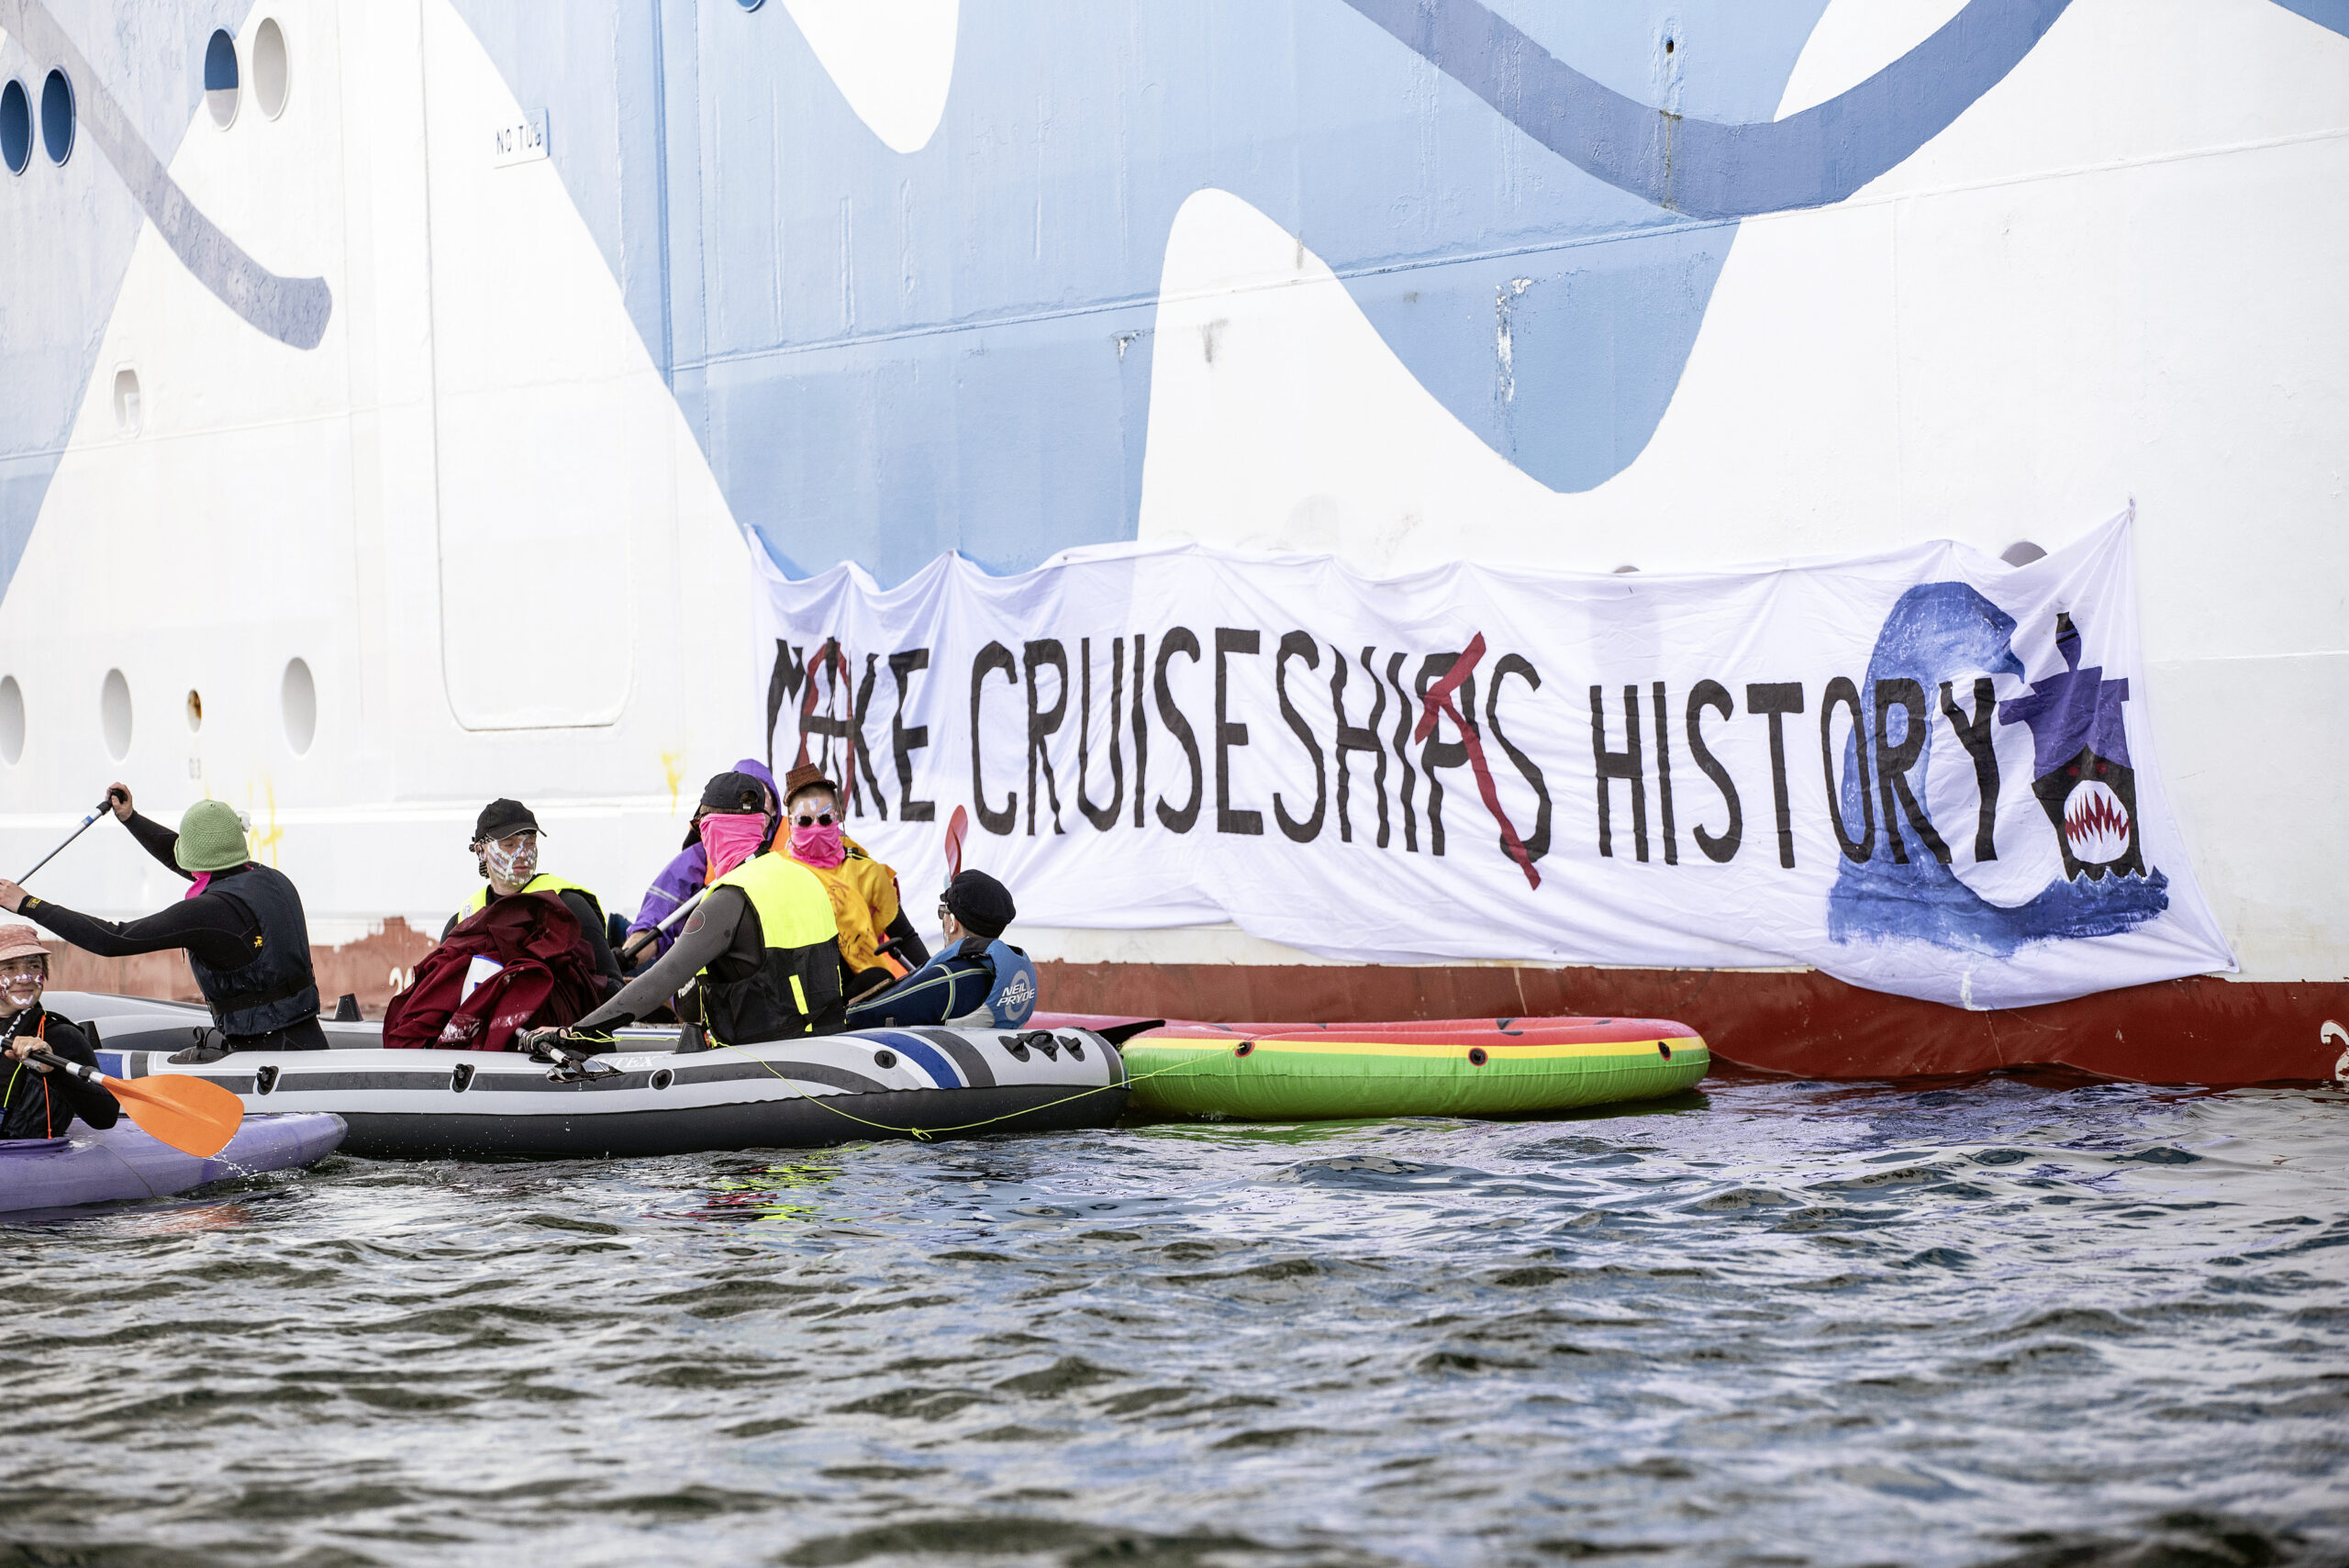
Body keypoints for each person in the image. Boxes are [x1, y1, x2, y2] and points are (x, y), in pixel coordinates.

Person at [0, 784, 327, 1059]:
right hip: (306, 1033)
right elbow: (191, 860)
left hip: (262, 1052)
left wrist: (28, 904)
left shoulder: (207, 912)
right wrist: (132, 819)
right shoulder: (270, 878)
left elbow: (113, 940)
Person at [531, 772, 843, 1051]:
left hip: (763, 1065)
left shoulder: (728, 899)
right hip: (825, 1048)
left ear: (711, 830)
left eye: (701, 828)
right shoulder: (806, 878)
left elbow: (658, 983)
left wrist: (575, 1032)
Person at [777, 763, 929, 1002]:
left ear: (838, 819)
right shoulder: (777, 873)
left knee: (877, 979)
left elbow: (906, 936)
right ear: (791, 825)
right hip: (800, 997)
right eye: (805, 821)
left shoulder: (866, 872)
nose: (816, 828)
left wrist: (934, 980)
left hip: (858, 990)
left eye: (825, 819)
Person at [619, 758, 779, 971]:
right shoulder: (699, 857)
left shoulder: (796, 847)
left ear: (775, 808)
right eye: (740, 798)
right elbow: (656, 918)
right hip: (720, 975)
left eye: (758, 796)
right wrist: (626, 958)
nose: (746, 805)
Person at [445, 800, 622, 989]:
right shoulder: (464, 920)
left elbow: (613, 987)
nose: (522, 853)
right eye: (509, 844)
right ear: (481, 851)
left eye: (529, 843)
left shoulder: (568, 905)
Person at [847, 870, 1039, 1029]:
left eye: (943, 913)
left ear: (953, 923)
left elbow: (863, 1015)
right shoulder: (1016, 976)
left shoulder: (948, 978)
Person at [0, 924, 117, 1140]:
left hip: (32, 1163)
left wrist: (54, 1071)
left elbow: (106, 1117)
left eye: (34, 966)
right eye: (9, 968)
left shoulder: (62, 1035)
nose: (25, 977)